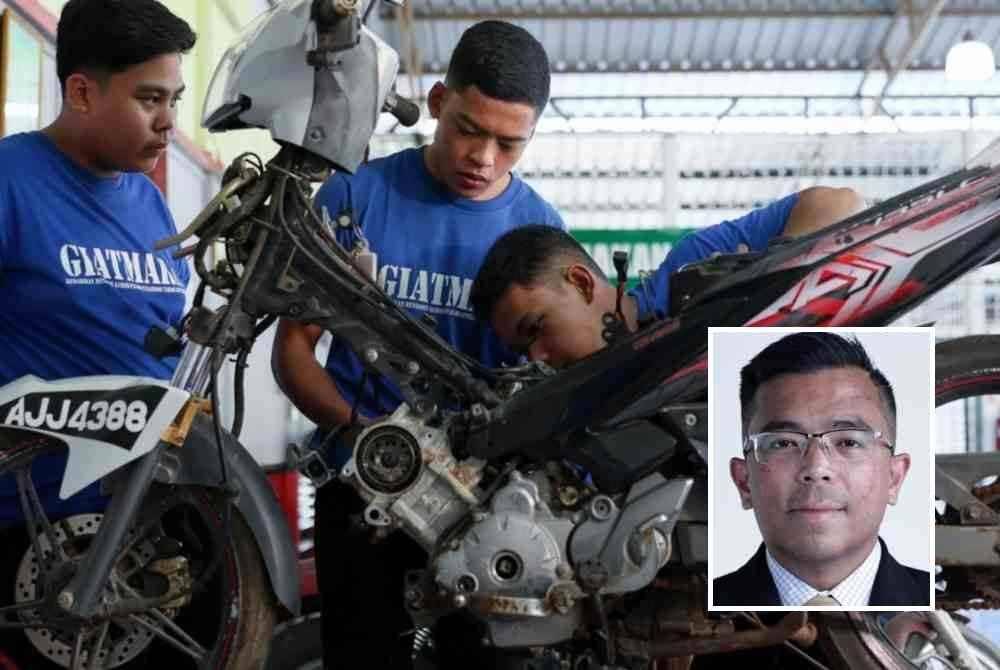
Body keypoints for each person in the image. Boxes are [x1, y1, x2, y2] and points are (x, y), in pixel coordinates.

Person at [271, 20, 563, 669]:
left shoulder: (540, 231)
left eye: (509, 144)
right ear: (437, 102)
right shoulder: (355, 197)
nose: (483, 157)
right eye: (468, 129)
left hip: (480, 507)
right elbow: (293, 349)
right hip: (361, 489)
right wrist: (367, 438)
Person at [0, 0, 195, 521]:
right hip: (29, 521)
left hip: (142, 520)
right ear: (82, 92)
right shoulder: (9, 181)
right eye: (149, 99)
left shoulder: (151, 203)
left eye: (174, 99)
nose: (168, 122)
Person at [470, 187, 864, 368]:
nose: (537, 356)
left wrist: (770, 280)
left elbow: (836, 202)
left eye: (536, 328)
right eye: (525, 349)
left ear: (582, 282)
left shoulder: (689, 268)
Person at [713, 331, 929, 607]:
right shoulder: (696, 609)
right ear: (744, 482)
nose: (816, 468)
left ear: (894, 478)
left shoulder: (943, 606)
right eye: (783, 443)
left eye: (848, 442)